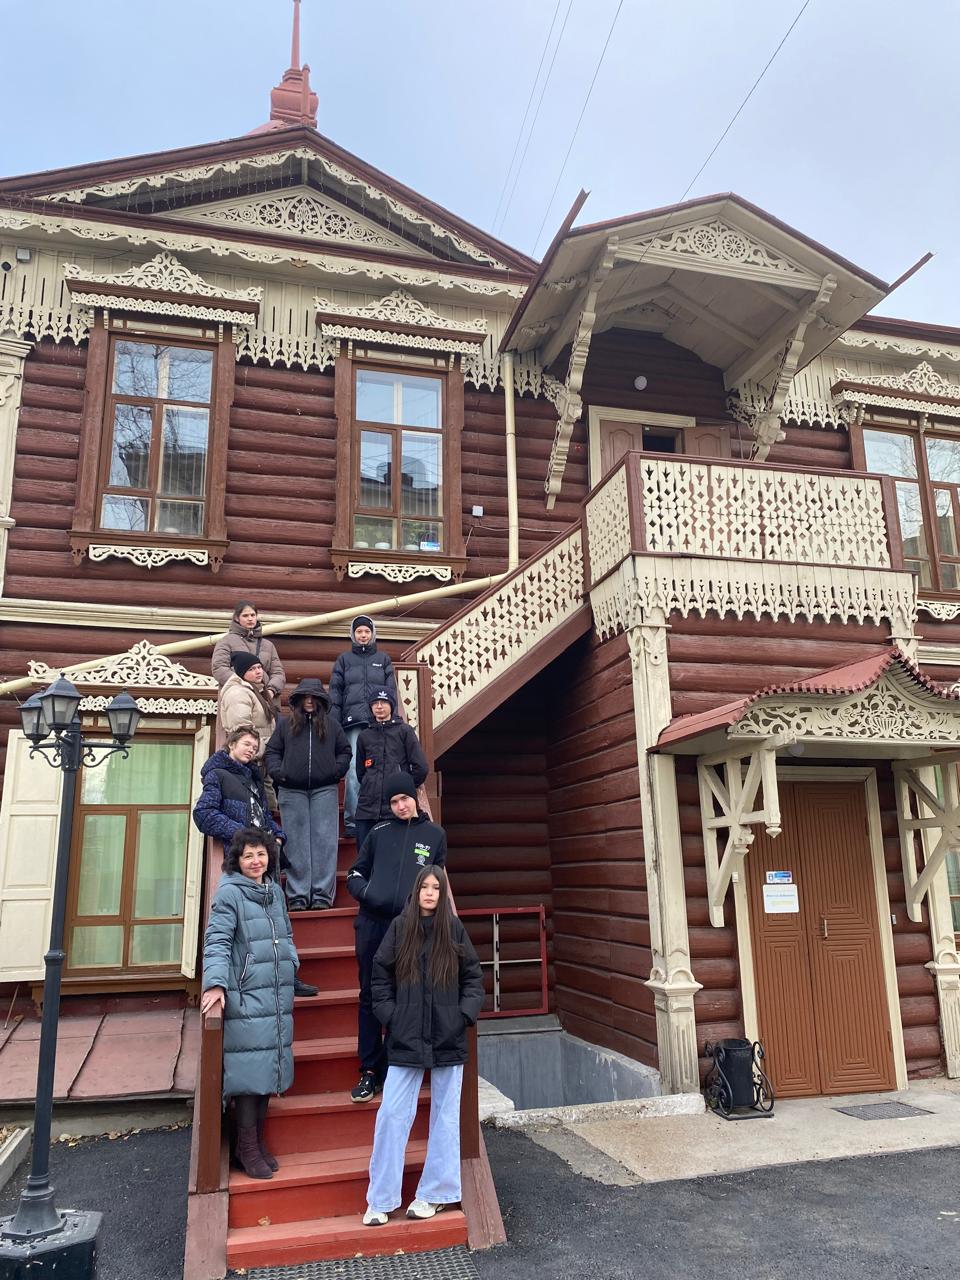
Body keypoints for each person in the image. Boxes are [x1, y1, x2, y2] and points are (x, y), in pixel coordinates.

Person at [362, 865, 483, 1226]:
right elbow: (379, 976)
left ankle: (435, 1194)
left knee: (445, 1116)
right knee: (392, 1114)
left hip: (448, 1036)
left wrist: (463, 1016)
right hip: (405, 1036)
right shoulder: (400, 928)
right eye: (424, 887)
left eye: (436, 888)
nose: (430, 893)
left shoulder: (453, 929)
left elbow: (473, 977)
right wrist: (392, 1016)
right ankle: (381, 1199)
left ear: (443, 894)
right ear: (415, 892)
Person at [200, 827, 299, 1181]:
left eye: (261, 854)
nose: (256, 861)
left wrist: (291, 961)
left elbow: (286, 933)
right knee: (249, 1073)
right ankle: (245, 1147)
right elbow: (217, 939)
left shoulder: (274, 891)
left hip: (275, 992)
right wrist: (215, 983)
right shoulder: (229, 893)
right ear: (237, 861)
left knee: (269, 1068)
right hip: (246, 993)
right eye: (248, 856)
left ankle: (255, 1143)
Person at [346, 773, 447, 1103]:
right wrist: (368, 894)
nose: (400, 806)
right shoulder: (377, 833)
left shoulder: (434, 836)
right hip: (372, 925)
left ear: (414, 798)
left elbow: (438, 883)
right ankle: (369, 1070)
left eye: (404, 799)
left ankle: (393, 1067)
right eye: (393, 801)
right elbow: (355, 874)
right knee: (370, 995)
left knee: (404, 996)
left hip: (410, 928)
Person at [265, 677, 351, 912]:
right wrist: (279, 774)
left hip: (325, 790)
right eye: (305, 697)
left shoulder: (333, 726)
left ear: (321, 700)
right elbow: (272, 751)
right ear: (299, 700)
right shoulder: (285, 725)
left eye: (314, 697)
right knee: (295, 843)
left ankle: (322, 894)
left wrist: (335, 772)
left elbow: (345, 751)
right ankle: (298, 895)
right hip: (291, 791)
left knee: (325, 842)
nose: (310, 701)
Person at [329, 616, 397, 835]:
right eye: (359, 632)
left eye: (367, 631)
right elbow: (335, 692)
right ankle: (352, 822)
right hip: (353, 724)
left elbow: (391, 691)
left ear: (373, 633)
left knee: (382, 769)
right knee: (353, 772)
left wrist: (393, 718)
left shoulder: (383, 659)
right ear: (353, 634)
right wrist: (334, 723)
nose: (363, 635)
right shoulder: (344, 660)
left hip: (379, 724)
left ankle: (384, 816)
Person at [354, 689, 429, 854]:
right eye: (375, 703)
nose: (379, 707)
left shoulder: (404, 731)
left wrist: (405, 789)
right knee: (365, 857)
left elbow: (421, 767)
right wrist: (369, 785)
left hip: (395, 811)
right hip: (367, 810)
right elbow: (360, 772)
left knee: (394, 856)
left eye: (383, 702)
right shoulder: (364, 736)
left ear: (392, 706)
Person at [212, 600, 285, 702]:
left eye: (252, 615)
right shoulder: (226, 642)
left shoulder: (268, 645)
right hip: (237, 698)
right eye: (245, 616)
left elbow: (278, 673)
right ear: (237, 618)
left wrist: (271, 691)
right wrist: (242, 686)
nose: (250, 619)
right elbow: (219, 668)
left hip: (266, 699)